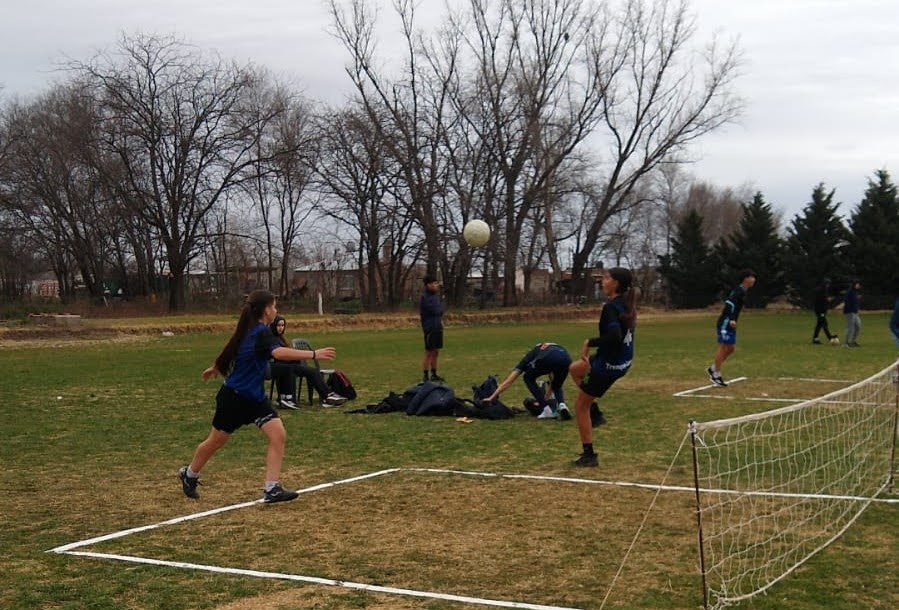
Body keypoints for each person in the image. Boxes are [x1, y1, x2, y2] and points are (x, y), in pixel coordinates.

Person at [178, 290, 338, 503]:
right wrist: (314, 354)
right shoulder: (259, 332)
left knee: (278, 435)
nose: (276, 310)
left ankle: (272, 488)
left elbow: (235, 349)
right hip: (234, 398)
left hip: (255, 398)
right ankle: (189, 474)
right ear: (265, 310)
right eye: (273, 306)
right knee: (215, 441)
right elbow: (277, 353)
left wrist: (216, 366)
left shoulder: (257, 330)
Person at [568, 267, 637, 467]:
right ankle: (595, 412)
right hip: (622, 361)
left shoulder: (611, 308)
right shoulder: (627, 304)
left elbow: (614, 337)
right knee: (575, 369)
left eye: (606, 278)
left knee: (580, 406)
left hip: (608, 366)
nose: (602, 281)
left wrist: (590, 342)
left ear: (615, 283)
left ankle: (589, 455)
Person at [269, 315, 348, 408]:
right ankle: (287, 399)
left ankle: (328, 396)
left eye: (283, 325)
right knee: (290, 369)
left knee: (313, 371)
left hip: (292, 365)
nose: (281, 328)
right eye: (278, 325)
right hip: (282, 366)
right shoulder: (271, 339)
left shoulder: (282, 338)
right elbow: (278, 355)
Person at [485, 342, 573, 420]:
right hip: (566, 358)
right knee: (557, 384)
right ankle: (562, 405)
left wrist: (491, 397)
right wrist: (543, 400)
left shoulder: (528, 358)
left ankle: (547, 410)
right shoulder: (545, 348)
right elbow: (553, 385)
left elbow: (509, 381)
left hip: (548, 357)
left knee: (528, 378)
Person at [707, 269, 757, 387]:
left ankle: (713, 368)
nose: (753, 280)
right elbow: (729, 304)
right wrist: (731, 318)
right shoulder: (738, 291)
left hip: (731, 323)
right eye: (751, 277)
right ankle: (716, 375)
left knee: (731, 348)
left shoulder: (743, 291)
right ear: (745, 279)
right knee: (723, 346)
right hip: (726, 322)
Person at [420, 274, 445, 383]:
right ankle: (425, 376)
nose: (437, 285)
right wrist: (439, 310)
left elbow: (440, 311)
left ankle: (434, 373)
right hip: (430, 328)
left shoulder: (435, 297)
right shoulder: (425, 298)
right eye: (434, 283)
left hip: (437, 326)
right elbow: (436, 311)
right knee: (429, 352)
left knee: (436, 351)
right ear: (428, 285)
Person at [811, 278, 838, 344]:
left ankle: (815, 339)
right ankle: (830, 337)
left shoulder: (822, 290)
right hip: (820, 311)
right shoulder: (820, 290)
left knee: (819, 324)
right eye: (827, 284)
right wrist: (827, 300)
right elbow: (821, 300)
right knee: (824, 323)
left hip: (821, 310)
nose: (828, 286)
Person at [843, 279, 861, 347]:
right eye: (857, 284)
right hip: (850, 312)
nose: (859, 285)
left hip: (855, 312)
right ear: (854, 284)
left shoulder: (855, 292)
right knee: (850, 327)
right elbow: (846, 301)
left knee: (858, 326)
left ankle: (853, 341)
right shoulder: (850, 291)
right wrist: (850, 310)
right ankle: (845, 343)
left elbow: (855, 301)